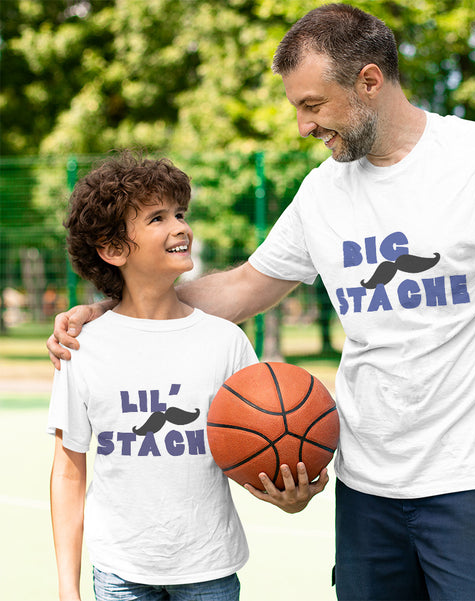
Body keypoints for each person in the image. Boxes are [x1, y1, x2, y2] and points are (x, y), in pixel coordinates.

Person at [48, 5, 475, 600]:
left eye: (313, 105)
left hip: (474, 480)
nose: (303, 126)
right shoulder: (322, 193)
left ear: (370, 81)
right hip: (365, 487)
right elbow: (240, 288)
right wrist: (113, 310)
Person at [47, 152, 326, 601]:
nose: (181, 227)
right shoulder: (84, 347)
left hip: (208, 567)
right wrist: (66, 587)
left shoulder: (225, 341)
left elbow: (257, 443)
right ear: (113, 249)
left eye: (180, 213)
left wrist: (288, 493)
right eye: (157, 218)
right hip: (119, 570)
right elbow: (68, 472)